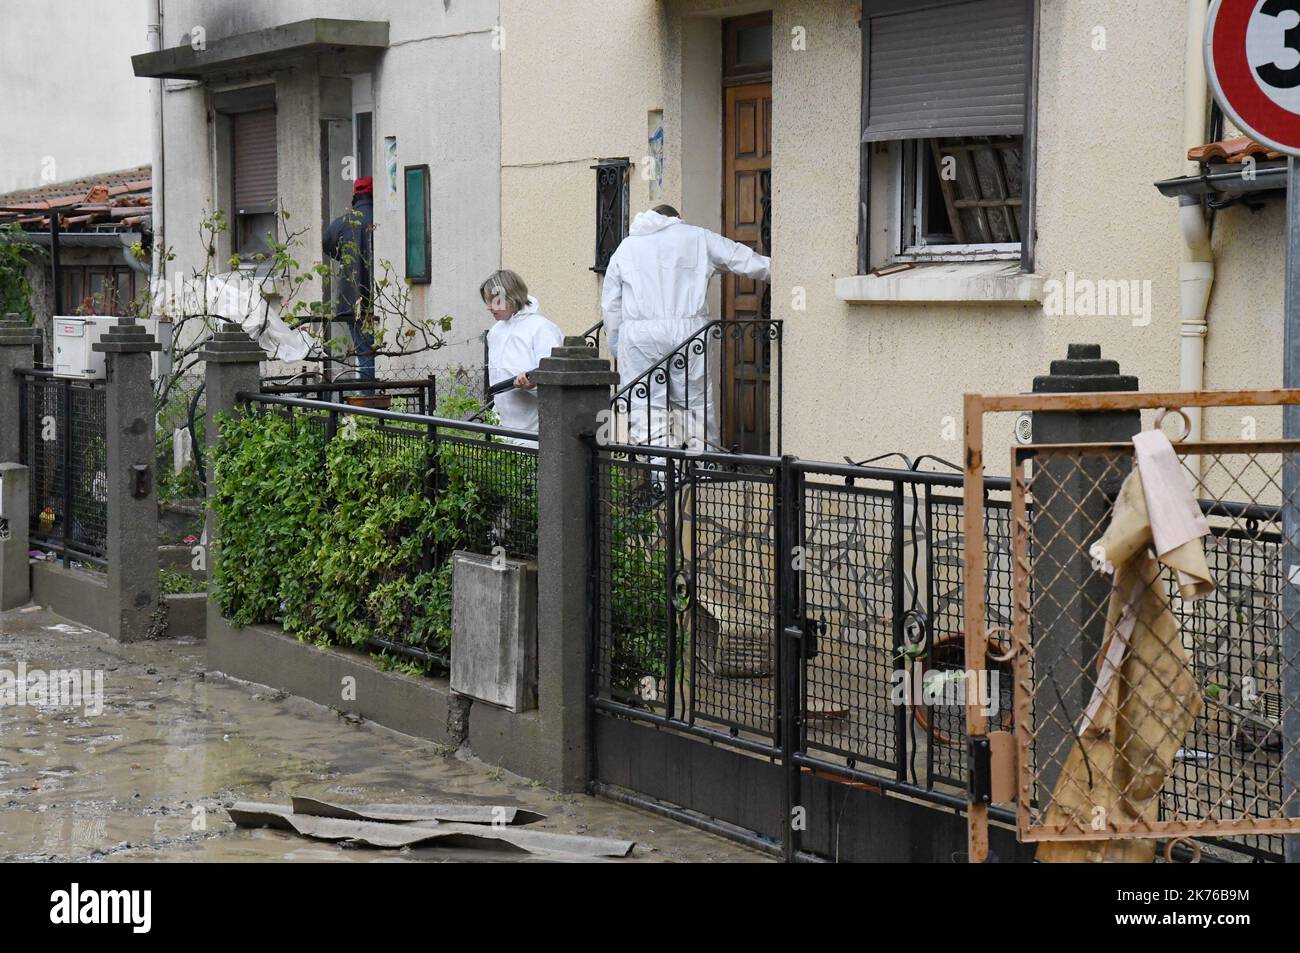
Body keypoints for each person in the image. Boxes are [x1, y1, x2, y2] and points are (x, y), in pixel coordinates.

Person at [600, 204, 771, 449]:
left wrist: (616, 343)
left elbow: (611, 304)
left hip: (640, 335)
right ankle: (699, 467)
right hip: (688, 332)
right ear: (677, 219)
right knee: (693, 403)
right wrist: (781, 272)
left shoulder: (626, 247)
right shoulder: (697, 237)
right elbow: (740, 258)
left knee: (646, 407)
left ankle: (660, 474)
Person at [482, 269, 564, 443]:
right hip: (501, 430)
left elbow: (555, 382)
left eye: (493, 301)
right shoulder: (495, 332)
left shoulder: (542, 330)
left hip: (534, 432)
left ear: (510, 298)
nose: (488, 307)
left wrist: (532, 385)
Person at [323, 176, 376, 381]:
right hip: (382, 299)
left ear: (355, 195)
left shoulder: (345, 222)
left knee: (365, 353)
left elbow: (328, 241)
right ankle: (370, 403)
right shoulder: (382, 218)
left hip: (353, 299)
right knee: (376, 353)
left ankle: (365, 405)